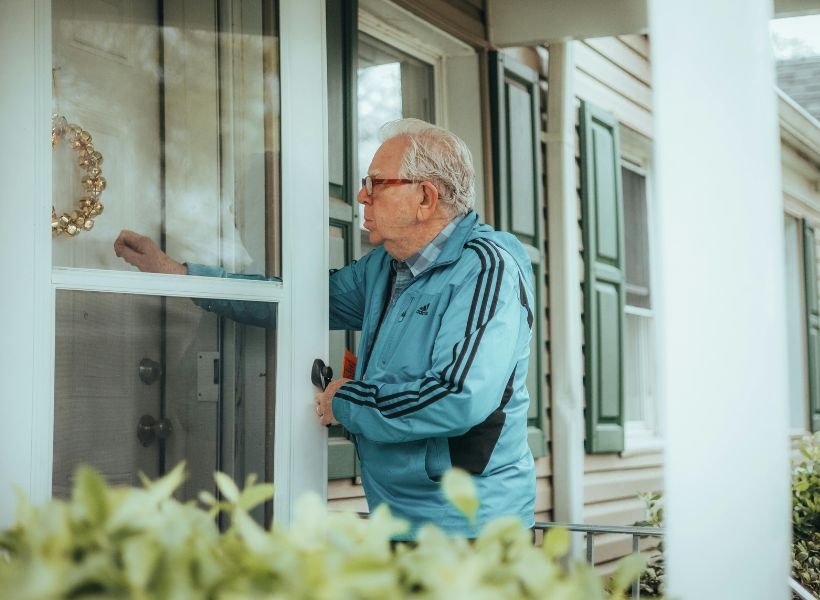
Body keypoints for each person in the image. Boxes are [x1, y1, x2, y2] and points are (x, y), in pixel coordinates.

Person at [114, 118, 536, 539]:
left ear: (425, 197)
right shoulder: (385, 269)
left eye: (375, 184)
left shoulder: (485, 269)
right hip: (398, 519)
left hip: (470, 528)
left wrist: (346, 401)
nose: (360, 197)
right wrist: (178, 274)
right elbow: (293, 300)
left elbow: (458, 396)